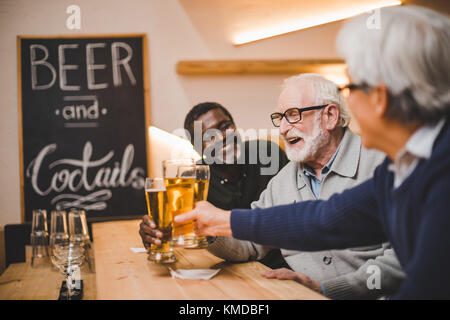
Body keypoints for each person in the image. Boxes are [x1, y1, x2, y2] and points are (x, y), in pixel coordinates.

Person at [175, 6, 450, 299]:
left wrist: (325, 290)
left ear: (379, 98)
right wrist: (218, 223)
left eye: (352, 87)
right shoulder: (403, 168)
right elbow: (326, 220)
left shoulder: (437, 174)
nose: (282, 129)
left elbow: (421, 285)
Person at [204, 74, 404, 300]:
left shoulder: (384, 164)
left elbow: (402, 258)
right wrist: (206, 230)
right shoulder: (282, 181)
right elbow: (249, 242)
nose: (282, 129)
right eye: (280, 118)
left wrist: (329, 289)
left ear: (329, 115)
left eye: (292, 115)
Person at [139, 102, 289, 253]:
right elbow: (172, 224)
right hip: (232, 266)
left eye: (225, 127)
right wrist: (154, 231)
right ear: (198, 148)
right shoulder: (191, 180)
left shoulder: (269, 154)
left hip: (285, 260)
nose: (222, 137)